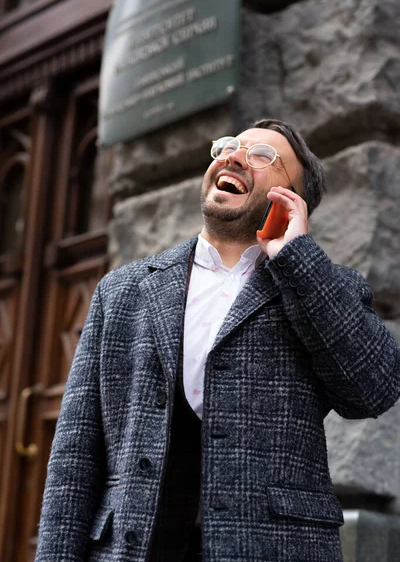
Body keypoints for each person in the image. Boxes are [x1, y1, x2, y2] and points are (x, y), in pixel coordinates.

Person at [35, 118, 400, 562]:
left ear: (293, 200)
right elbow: (75, 457)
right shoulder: (123, 290)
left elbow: (374, 390)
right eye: (228, 146)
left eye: (262, 157)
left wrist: (297, 260)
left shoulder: (321, 288)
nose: (233, 156)